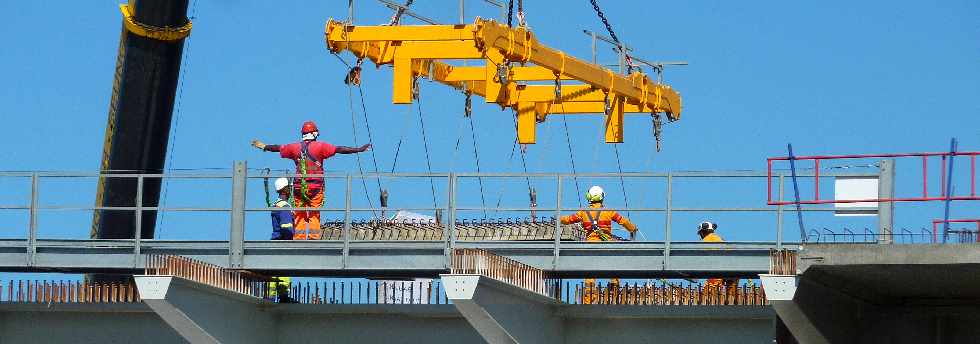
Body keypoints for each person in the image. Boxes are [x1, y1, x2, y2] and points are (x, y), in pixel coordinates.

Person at [252, 121, 370, 240]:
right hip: (315, 188)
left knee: (299, 213)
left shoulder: (294, 147)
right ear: (314, 134)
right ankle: (313, 237)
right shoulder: (321, 147)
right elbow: (339, 149)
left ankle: (299, 238)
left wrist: (264, 147)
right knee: (314, 213)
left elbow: (278, 148)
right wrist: (359, 149)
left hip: (299, 188)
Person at [560, 185, 638, 304]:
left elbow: (568, 220)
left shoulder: (583, 213)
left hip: (590, 246)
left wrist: (558, 219)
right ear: (602, 197)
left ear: (589, 197)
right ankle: (614, 293)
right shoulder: (608, 212)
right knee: (614, 268)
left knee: (590, 274)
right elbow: (623, 221)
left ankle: (588, 301)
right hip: (607, 245)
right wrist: (633, 229)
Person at [697, 221, 739, 299]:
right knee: (731, 298)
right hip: (735, 271)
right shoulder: (719, 238)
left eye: (700, 234)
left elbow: (699, 258)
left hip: (720, 269)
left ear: (702, 232)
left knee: (708, 295)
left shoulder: (707, 240)